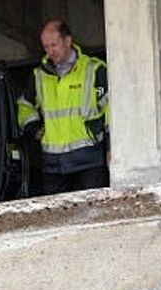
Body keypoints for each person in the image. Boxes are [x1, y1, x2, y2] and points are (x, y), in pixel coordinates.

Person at [18, 20, 109, 194]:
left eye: (54, 45)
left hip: (88, 159)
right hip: (53, 163)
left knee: (92, 214)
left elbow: (111, 109)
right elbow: (24, 105)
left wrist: (110, 145)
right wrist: (33, 127)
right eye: (46, 47)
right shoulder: (39, 75)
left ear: (68, 41)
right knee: (58, 217)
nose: (50, 51)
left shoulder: (94, 69)